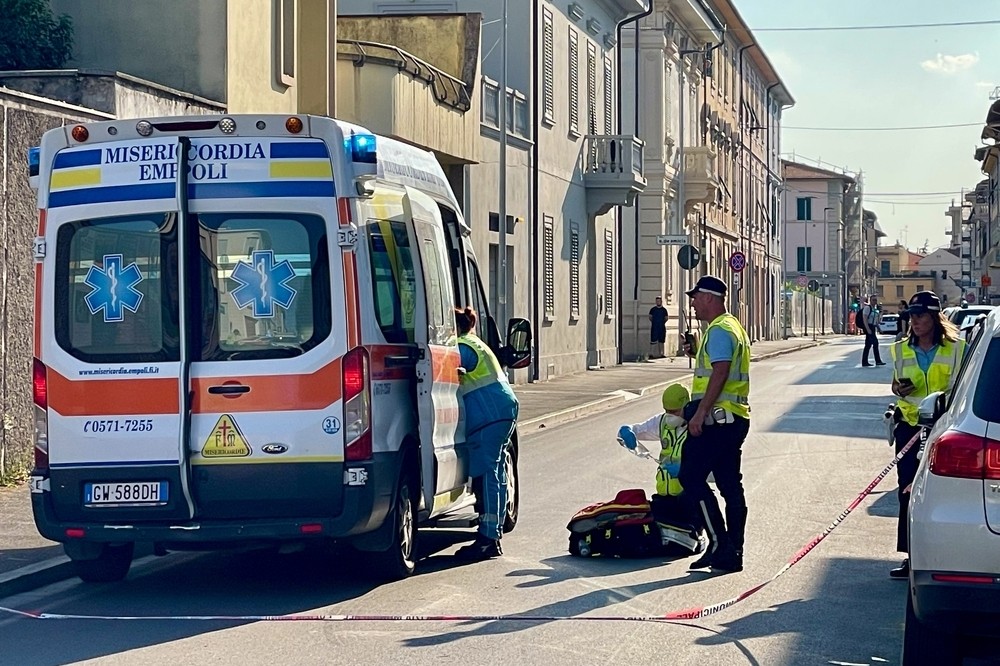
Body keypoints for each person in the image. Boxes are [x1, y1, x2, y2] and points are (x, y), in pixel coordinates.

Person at [887, 291, 965, 579]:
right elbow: (896, 384)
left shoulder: (958, 348)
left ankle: (949, 554)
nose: (915, 322)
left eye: (920, 316)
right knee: (907, 491)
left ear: (935, 317)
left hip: (944, 428)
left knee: (942, 492)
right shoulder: (900, 349)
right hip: (910, 427)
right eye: (911, 317)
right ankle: (911, 556)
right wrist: (898, 389)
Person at [679, 275, 750, 573]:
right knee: (729, 486)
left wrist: (699, 413)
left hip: (717, 421)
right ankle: (731, 552)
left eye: (695, 297)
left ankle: (720, 542)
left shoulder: (720, 330)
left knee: (690, 478)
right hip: (733, 420)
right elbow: (719, 367)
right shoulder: (730, 326)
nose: (692, 303)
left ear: (709, 298)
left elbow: (720, 372)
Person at [453, 307, 520, 561]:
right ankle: (494, 530)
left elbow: (441, 368)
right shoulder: (476, 342)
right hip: (501, 409)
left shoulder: (463, 346)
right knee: (498, 470)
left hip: (489, 414)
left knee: (487, 473)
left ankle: (488, 538)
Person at [616, 383, 692, 499]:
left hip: (690, 495)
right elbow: (638, 429)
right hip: (664, 494)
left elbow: (709, 460)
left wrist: (685, 469)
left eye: (675, 411)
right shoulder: (661, 422)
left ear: (686, 406)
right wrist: (626, 431)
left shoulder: (696, 426)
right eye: (667, 411)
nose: (670, 416)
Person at [860, 295, 885, 367]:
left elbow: (876, 321)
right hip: (869, 327)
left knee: (868, 345)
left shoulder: (875, 309)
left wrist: (879, 328)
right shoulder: (867, 308)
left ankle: (864, 362)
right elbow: (865, 319)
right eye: (873, 300)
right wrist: (868, 329)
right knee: (875, 343)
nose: (875, 301)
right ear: (870, 300)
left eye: (876, 300)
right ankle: (878, 361)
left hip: (873, 327)